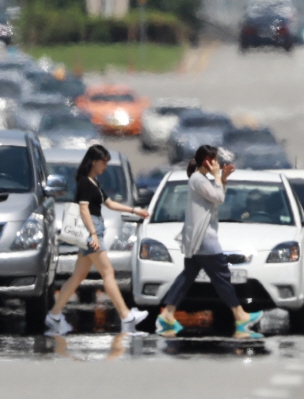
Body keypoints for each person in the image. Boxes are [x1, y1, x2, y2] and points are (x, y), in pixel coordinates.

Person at [156, 145, 264, 339]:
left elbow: (215, 196)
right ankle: (240, 316)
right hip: (205, 238)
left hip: (201, 237)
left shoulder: (200, 180)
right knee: (222, 276)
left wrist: (222, 178)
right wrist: (217, 177)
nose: (217, 163)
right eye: (215, 160)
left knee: (187, 276)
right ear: (207, 161)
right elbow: (219, 198)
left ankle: (168, 314)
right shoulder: (198, 179)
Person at [45, 145, 150, 335]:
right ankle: (126, 317)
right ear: (94, 162)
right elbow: (84, 209)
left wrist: (134, 210)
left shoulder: (93, 182)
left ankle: (54, 314)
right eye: (104, 162)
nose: (106, 166)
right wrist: (93, 234)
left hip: (94, 229)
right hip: (90, 231)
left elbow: (109, 203)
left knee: (78, 276)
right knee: (108, 272)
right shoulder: (85, 183)